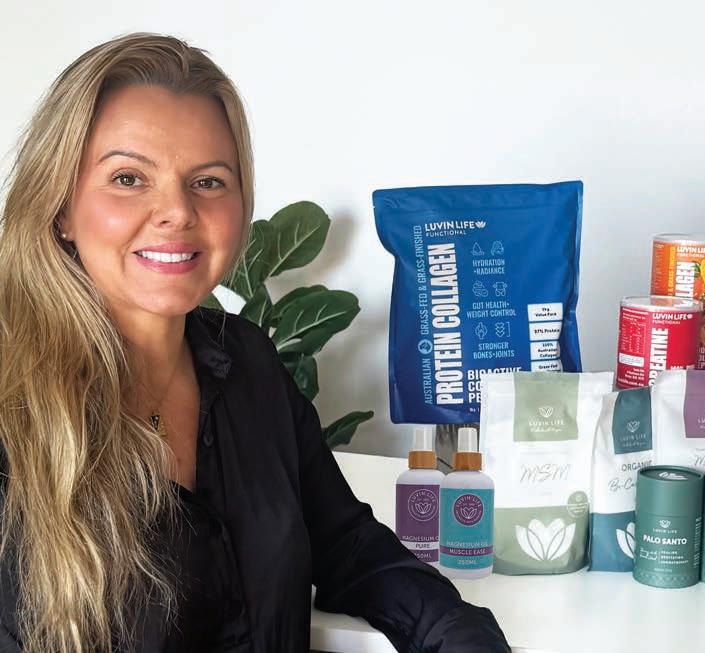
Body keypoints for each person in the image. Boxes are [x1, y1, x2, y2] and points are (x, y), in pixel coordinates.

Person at [0, 33, 510, 652]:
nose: (177, 211)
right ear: (60, 206)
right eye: (128, 178)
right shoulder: (11, 411)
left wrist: (461, 637)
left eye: (208, 181)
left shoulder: (247, 363)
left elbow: (349, 548)